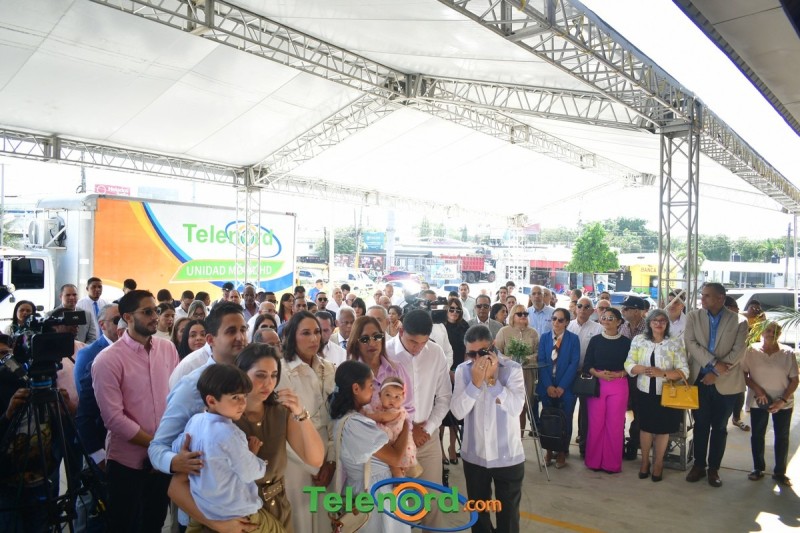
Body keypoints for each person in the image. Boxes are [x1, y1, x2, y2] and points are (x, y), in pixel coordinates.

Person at [149, 302, 249, 531]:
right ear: (211, 340)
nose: (240, 337)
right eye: (231, 331)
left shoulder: (252, 377)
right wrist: (175, 461)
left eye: (243, 330)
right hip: (204, 513)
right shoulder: (193, 384)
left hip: (246, 506)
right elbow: (157, 448)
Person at [92, 290, 179, 532]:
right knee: (124, 525)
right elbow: (114, 418)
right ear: (128, 317)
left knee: (155, 522)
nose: (155, 316)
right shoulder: (107, 360)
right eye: (147, 311)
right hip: (127, 463)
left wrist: (164, 448)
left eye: (156, 310)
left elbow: (175, 399)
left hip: (162, 459)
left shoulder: (168, 349)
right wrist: (155, 446)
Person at [170, 365, 283, 533]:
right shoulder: (230, 434)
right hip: (237, 515)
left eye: (244, 396)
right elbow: (250, 473)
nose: (243, 403)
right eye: (235, 397)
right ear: (211, 401)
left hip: (201, 513)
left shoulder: (195, 421)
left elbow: (177, 446)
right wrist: (253, 455)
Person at [451, 325, 525, 533]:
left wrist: (492, 382)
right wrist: (474, 384)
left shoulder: (512, 369)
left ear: (493, 346)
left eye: (482, 352)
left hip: (507, 455)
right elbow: (457, 412)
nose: (477, 359)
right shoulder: (463, 371)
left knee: (508, 518)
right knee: (478, 518)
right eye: (471, 354)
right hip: (475, 456)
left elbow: (515, 408)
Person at [327, 360, 411, 533]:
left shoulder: (347, 418)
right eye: (371, 385)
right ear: (356, 388)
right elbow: (395, 457)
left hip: (364, 486)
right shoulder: (356, 424)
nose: (374, 390)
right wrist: (406, 426)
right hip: (375, 491)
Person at [386, 310, 451, 529]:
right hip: (392, 441)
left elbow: (444, 398)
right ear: (401, 331)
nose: (417, 348)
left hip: (427, 439)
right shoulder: (385, 352)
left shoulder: (436, 352)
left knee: (433, 502)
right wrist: (406, 430)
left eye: (423, 343)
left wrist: (428, 429)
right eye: (413, 342)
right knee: (398, 505)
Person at [275, 311, 336, 533]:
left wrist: (331, 460)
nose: (314, 338)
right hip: (295, 458)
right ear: (292, 336)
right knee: (300, 519)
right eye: (306, 333)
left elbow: (335, 417)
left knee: (325, 520)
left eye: (317, 332)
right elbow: (281, 427)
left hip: (327, 457)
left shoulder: (328, 368)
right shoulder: (281, 371)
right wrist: (312, 464)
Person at [684, 283, 748, 488]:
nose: (702, 299)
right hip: (700, 380)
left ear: (720, 298)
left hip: (726, 383)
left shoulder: (739, 321)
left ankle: (714, 469)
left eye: (707, 296)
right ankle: (698, 465)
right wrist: (712, 363)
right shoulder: (693, 316)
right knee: (700, 425)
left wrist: (716, 373)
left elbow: (738, 351)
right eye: (702, 295)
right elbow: (691, 343)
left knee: (719, 427)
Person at [624, 309, 689, 482]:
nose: (659, 324)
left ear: (667, 324)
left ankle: (658, 463)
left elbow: (684, 371)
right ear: (649, 323)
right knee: (645, 428)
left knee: (662, 430)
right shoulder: (639, 340)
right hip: (644, 391)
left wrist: (663, 373)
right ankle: (645, 462)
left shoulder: (675, 342)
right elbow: (629, 363)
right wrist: (642, 369)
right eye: (655, 320)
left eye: (662, 321)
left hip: (667, 393)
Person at [742, 321, 798, 487]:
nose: (771, 334)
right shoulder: (751, 351)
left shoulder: (787, 352)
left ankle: (780, 472)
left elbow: (795, 380)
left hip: (783, 403)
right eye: (768, 330)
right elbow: (744, 374)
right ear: (762, 332)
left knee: (782, 437)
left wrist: (782, 400)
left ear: (779, 334)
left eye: (775, 331)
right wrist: (758, 390)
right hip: (759, 401)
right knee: (757, 435)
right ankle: (758, 468)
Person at [583, 307, 631, 474]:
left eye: (611, 318)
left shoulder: (626, 342)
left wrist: (620, 373)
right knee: (596, 424)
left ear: (619, 322)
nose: (607, 320)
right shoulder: (595, 340)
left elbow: (631, 365)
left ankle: (611, 464)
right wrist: (598, 374)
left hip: (619, 384)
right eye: (604, 317)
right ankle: (593, 461)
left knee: (615, 425)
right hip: (597, 384)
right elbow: (587, 364)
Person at [536, 308, 580, 469]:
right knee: (548, 419)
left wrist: (562, 386)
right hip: (547, 386)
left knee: (565, 419)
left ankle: (562, 452)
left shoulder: (573, 339)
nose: (556, 322)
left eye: (560, 320)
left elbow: (574, 363)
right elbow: (541, 362)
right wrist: (548, 385)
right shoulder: (544, 337)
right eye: (554, 319)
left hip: (566, 388)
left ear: (567, 322)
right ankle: (548, 451)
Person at [347, 316, 413, 411]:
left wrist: (400, 419)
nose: (372, 343)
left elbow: (409, 407)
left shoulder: (397, 369)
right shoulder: (349, 374)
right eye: (365, 339)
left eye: (377, 337)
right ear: (356, 343)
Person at [362, 377, 421, 478]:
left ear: (403, 398)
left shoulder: (397, 411)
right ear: (380, 395)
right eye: (388, 395)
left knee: (395, 466)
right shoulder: (377, 407)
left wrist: (367, 416)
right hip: (390, 440)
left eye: (397, 396)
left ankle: (400, 480)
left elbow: (382, 417)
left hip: (397, 441)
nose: (392, 400)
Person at [567, 297, 603, 456]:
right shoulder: (567, 325)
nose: (582, 309)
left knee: (586, 413)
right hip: (568, 373)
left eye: (586, 306)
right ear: (575, 308)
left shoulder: (598, 328)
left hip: (587, 374)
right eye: (579, 305)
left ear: (592, 311)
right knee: (567, 409)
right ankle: (562, 447)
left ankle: (584, 446)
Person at [439, 298, 469, 465]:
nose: (454, 313)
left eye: (458, 310)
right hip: (442, 373)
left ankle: (452, 447)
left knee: (456, 414)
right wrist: (447, 371)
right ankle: (440, 449)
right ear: (446, 310)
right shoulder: (439, 327)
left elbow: (468, 350)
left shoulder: (464, 326)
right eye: (451, 309)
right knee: (442, 413)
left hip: (459, 372)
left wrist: (460, 371)